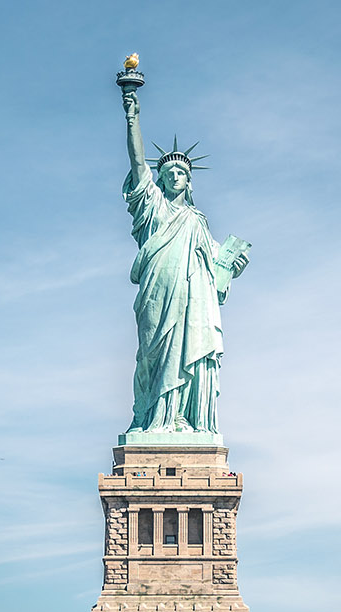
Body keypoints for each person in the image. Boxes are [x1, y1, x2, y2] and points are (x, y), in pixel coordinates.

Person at [117, 81, 247, 436]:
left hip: (193, 300)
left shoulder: (197, 222)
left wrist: (231, 268)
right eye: (169, 172)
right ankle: (154, 419)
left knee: (191, 349)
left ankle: (182, 419)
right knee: (153, 356)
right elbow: (136, 160)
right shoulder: (152, 206)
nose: (175, 176)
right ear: (159, 178)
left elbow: (218, 267)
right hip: (158, 294)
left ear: (189, 181)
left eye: (182, 173)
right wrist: (132, 117)